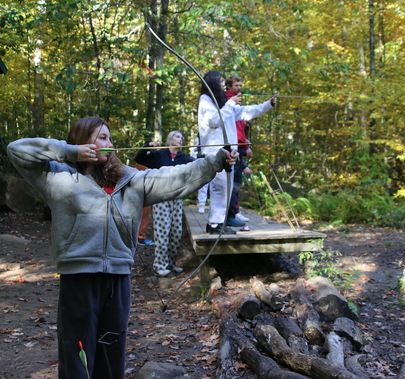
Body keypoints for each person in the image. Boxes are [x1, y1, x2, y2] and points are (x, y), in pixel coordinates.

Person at [7, 117, 236, 379]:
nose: (109, 143)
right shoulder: (58, 176)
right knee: (77, 353)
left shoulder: (131, 180)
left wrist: (216, 161)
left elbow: (177, 177)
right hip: (79, 278)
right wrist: (71, 152)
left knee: (111, 352)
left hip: (118, 279)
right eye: (101, 137)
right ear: (83, 141)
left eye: (110, 138)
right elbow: (17, 149)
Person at [198, 70, 275, 234]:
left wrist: (268, 104)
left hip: (229, 153)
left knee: (226, 188)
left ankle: (218, 223)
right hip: (215, 152)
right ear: (212, 83)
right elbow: (214, 121)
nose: (222, 84)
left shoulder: (223, 103)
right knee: (220, 188)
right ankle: (214, 224)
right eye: (220, 81)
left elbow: (247, 112)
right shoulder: (206, 100)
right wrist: (231, 103)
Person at [135, 130, 194, 276]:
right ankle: (160, 265)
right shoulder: (159, 155)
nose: (181, 139)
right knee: (163, 232)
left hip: (177, 199)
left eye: (182, 137)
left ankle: (171, 263)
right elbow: (139, 158)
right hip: (161, 198)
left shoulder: (184, 158)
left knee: (176, 233)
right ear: (170, 139)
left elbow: (200, 162)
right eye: (177, 136)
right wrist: (149, 145)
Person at [225, 75, 254, 227]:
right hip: (233, 148)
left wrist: (247, 145)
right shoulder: (228, 102)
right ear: (229, 86)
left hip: (241, 147)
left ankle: (234, 212)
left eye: (240, 85)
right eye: (236, 85)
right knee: (233, 184)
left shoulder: (237, 103)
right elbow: (232, 130)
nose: (239, 88)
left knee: (237, 183)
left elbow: (242, 129)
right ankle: (230, 215)